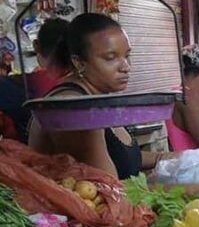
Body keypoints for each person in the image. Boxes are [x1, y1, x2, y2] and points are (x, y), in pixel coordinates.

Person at [28, 13, 165, 178]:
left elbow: (122, 158)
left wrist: (184, 158)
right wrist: (186, 188)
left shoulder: (97, 97)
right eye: (110, 58)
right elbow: (108, 188)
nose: (126, 66)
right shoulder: (73, 109)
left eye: (127, 56)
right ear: (79, 62)